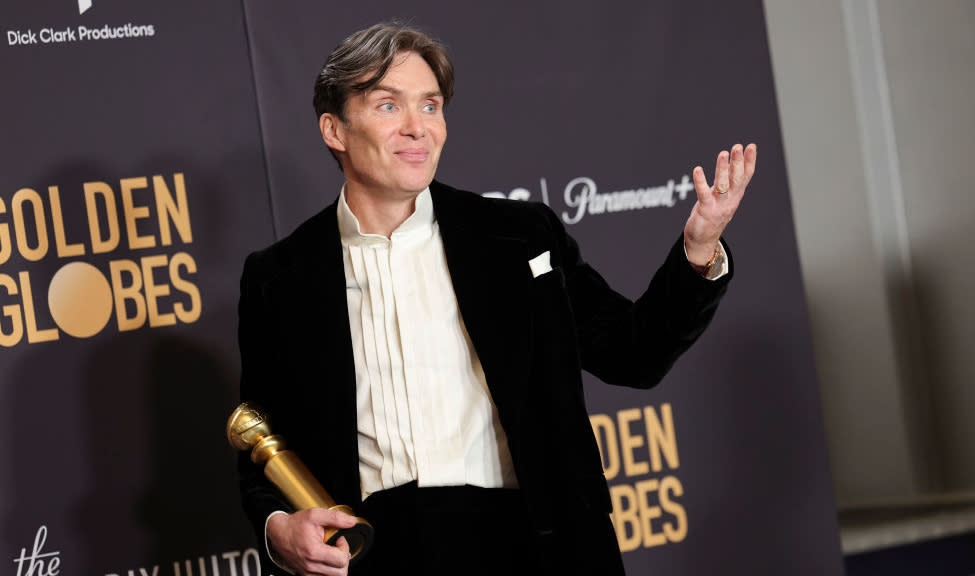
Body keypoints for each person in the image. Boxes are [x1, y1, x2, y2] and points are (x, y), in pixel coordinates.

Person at [236, 22, 756, 576]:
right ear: (334, 129)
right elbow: (263, 442)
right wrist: (277, 530)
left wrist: (699, 249)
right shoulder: (279, 279)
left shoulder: (519, 237)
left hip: (530, 544)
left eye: (431, 106)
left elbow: (635, 353)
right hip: (374, 554)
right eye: (388, 106)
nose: (418, 128)